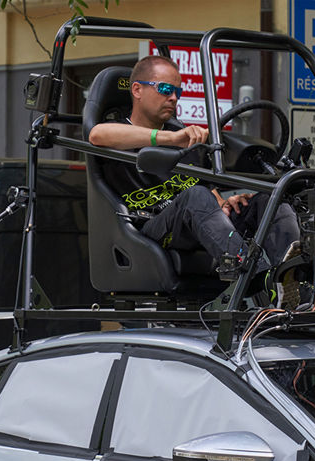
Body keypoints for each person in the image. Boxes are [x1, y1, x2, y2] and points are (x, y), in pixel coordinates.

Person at [89, 54, 302, 305]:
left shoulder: (183, 137)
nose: (174, 98)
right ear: (137, 89)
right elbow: (96, 135)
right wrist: (171, 138)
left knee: (269, 200)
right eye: (166, 89)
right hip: (151, 227)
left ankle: (289, 283)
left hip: (193, 220)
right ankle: (257, 279)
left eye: (177, 91)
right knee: (195, 197)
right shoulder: (117, 128)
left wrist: (223, 203)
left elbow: (203, 192)